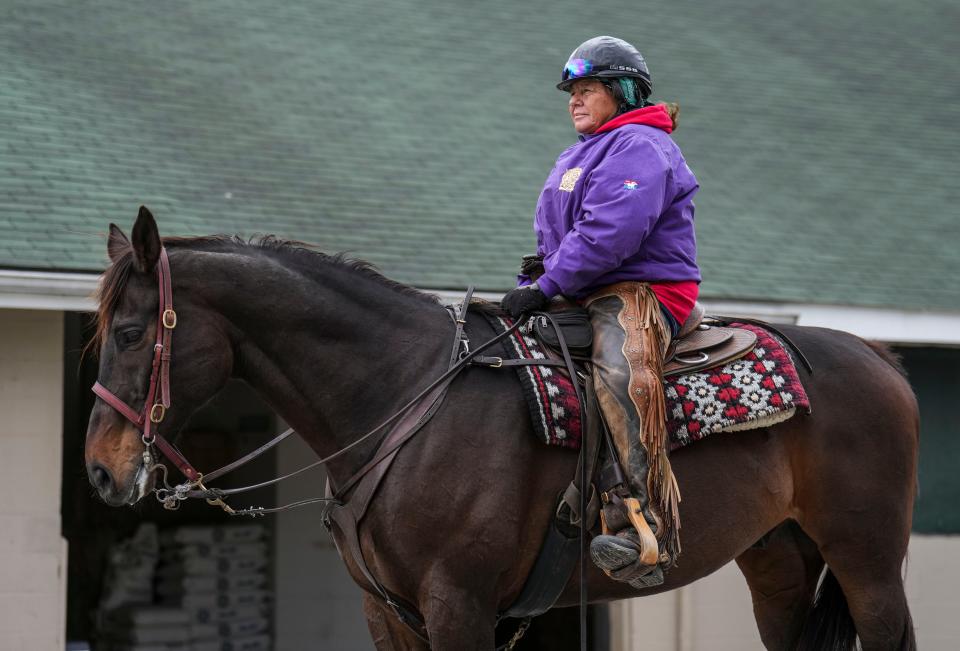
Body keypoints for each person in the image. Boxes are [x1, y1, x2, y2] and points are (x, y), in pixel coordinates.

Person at [501, 35, 701, 588]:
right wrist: (535, 281)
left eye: (587, 88)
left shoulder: (641, 144)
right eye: (571, 90)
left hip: (644, 291)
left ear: (623, 92)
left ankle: (642, 524)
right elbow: (559, 236)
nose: (574, 99)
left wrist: (548, 285)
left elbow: (610, 232)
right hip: (582, 287)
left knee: (617, 371)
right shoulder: (580, 152)